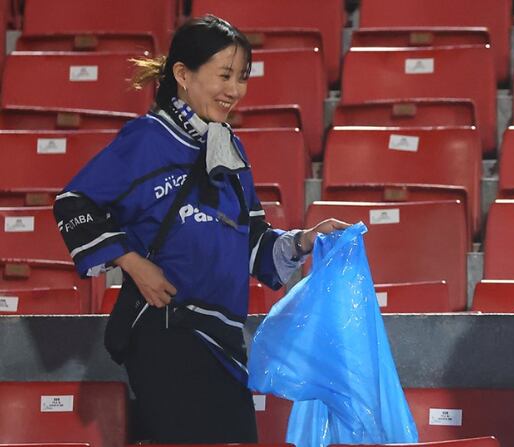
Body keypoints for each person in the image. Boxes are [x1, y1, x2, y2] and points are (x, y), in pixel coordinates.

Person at [53, 15, 349, 443]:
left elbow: (252, 246)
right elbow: (73, 203)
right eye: (224, 75)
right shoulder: (146, 139)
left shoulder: (230, 149)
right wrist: (132, 263)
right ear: (182, 75)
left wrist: (304, 240)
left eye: (242, 78)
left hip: (225, 346)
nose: (235, 90)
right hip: (167, 335)